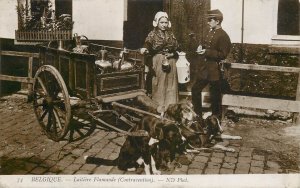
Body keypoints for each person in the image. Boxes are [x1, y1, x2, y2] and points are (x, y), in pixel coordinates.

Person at [192, 9, 231, 121]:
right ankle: (198, 115)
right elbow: (207, 45)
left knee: (215, 97)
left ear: (217, 21)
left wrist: (206, 52)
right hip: (205, 70)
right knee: (195, 89)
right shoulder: (210, 32)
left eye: (210, 20)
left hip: (215, 71)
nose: (208, 22)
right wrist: (201, 47)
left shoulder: (223, 36)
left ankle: (216, 119)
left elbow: (223, 54)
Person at [140, 11, 179, 107]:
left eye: (166, 22)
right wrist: (145, 48)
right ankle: (159, 106)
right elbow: (148, 43)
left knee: (171, 84)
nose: (164, 25)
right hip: (158, 61)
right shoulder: (153, 34)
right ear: (157, 22)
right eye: (161, 22)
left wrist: (172, 53)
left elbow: (177, 48)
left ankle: (171, 106)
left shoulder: (171, 34)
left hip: (171, 61)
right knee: (159, 83)